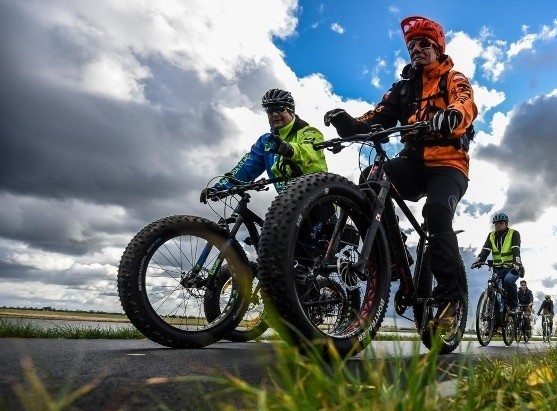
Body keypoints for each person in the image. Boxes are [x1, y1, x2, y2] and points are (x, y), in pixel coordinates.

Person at [323, 15, 478, 328]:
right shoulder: (404, 88)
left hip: (449, 165)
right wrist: (348, 124)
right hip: (413, 161)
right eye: (412, 46)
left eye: (423, 44)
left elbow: (466, 103)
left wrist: (451, 115)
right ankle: (392, 258)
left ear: (437, 48)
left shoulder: (452, 78)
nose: (416, 49)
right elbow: (377, 117)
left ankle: (450, 299)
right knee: (371, 175)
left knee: (435, 213)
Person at [201, 88, 328, 201]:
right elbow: (245, 168)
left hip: (319, 198)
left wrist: (290, 149)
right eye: (270, 110)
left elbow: (311, 152)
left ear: (291, 111)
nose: (274, 114)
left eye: (280, 109)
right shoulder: (266, 142)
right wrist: (219, 188)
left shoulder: (309, 132)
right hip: (289, 203)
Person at [471, 212, 523, 312]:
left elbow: (516, 249)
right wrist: (479, 261)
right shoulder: (491, 236)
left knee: (508, 281)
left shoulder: (514, 233)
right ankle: (495, 315)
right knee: (493, 286)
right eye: (496, 223)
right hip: (497, 269)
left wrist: (517, 263)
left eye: (501, 223)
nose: (498, 225)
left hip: (512, 268)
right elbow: (485, 250)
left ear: (506, 223)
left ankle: (513, 307)